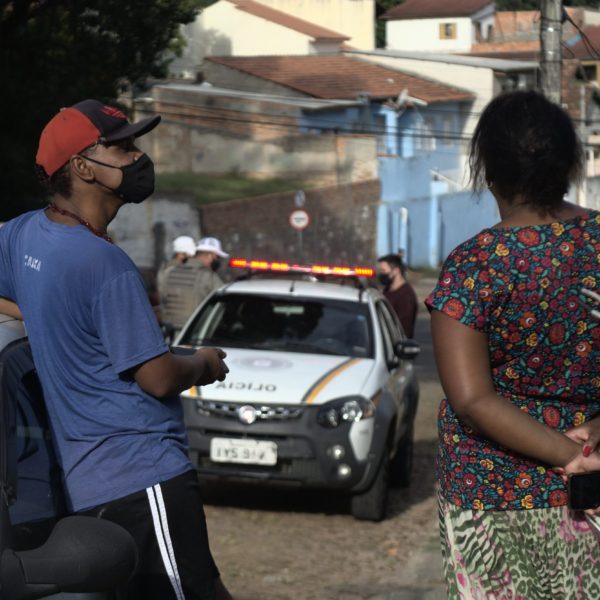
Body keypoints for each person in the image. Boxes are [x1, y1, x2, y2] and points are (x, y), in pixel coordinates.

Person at [0, 99, 233, 600]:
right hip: (144, 474)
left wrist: (34, 314)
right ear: (82, 167)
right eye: (123, 147)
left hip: (89, 486)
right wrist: (205, 363)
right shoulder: (106, 265)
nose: (137, 158)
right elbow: (157, 378)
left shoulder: (24, 236)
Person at [425, 90, 600, 598]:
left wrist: (565, 455)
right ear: (569, 163)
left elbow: (473, 399)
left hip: (494, 491)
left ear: (489, 173)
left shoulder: (475, 263)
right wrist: (588, 446)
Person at [162, 237, 228, 336]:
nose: (218, 261)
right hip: (194, 334)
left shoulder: (169, 272)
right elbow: (225, 301)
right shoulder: (208, 276)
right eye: (217, 257)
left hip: (169, 333)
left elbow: (163, 299)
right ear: (210, 256)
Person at [376, 253, 418, 338]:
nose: (381, 274)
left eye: (384, 271)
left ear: (396, 271)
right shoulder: (387, 290)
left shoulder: (406, 296)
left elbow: (404, 330)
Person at [156, 235, 197, 302]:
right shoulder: (171, 270)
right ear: (180, 254)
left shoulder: (167, 267)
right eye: (190, 254)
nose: (192, 257)